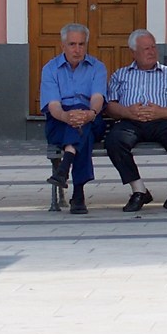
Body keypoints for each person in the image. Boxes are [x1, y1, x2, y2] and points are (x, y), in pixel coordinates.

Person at [105, 29, 167, 213]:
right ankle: (139, 190)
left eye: (153, 47)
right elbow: (110, 106)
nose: (151, 52)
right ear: (133, 53)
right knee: (114, 141)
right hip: (130, 121)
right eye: (146, 48)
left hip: (162, 120)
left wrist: (162, 112)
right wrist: (127, 111)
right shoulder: (120, 75)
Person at [40, 23, 107, 215]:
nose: (77, 49)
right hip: (59, 119)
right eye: (72, 44)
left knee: (83, 125)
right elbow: (53, 106)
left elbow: (97, 98)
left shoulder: (97, 67)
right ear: (63, 46)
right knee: (80, 133)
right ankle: (78, 194)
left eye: (81, 44)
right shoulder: (50, 69)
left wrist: (90, 114)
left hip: (91, 116)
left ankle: (64, 169)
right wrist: (67, 117)